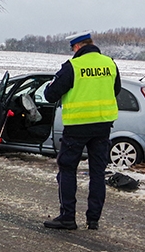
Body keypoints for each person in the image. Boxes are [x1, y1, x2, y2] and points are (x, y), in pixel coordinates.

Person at [43, 32, 121, 230]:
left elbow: (51, 94)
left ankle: (68, 216)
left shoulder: (73, 66)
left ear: (76, 47)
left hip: (77, 127)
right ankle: (93, 219)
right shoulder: (109, 64)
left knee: (67, 169)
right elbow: (117, 89)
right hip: (103, 126)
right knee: (97, 173)